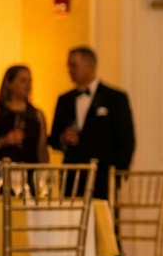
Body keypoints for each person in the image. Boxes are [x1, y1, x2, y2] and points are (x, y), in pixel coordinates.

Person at [48, 46, 136, 199]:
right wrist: (63, 139)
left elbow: (126, 140)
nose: (69, 70)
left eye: (74, 65)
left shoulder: (115, 98)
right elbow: (54, 138)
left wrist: (117, 176)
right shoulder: (64, 100)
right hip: (71, 177)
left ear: (89, 65)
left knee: (103, 220)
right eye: (68, 65)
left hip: (102, 177)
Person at [0, 65, 49, 166]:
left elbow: (41, 149)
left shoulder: (37, 114)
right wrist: (3, 141)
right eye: (23, 80)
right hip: (1, 171)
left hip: (29, 171)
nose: (27, 85)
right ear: (9, 83)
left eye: (29, 81)